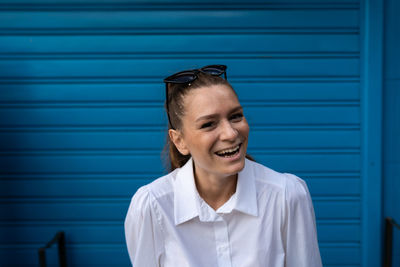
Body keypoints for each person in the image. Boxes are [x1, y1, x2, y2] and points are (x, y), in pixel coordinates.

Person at [124, 64, 323, 267]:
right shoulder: (152, 206)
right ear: (179, 141)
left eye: (235, 116)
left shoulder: (286, 195)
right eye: (208, 124)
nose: (231, 134)